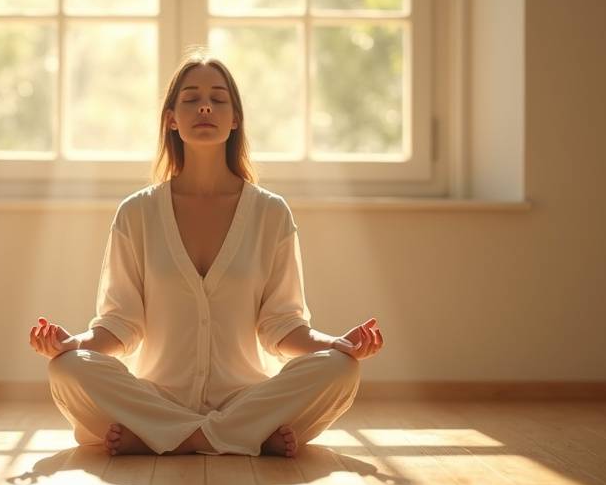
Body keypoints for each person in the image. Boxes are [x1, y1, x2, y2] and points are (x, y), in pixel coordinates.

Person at [28, 49, 385, 458]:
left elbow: (282, 325)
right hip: (156, 398)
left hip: (244, 398)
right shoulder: (136, 213)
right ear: (171, 119)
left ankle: (163, 437)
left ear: (235, 120)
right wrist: (71, 343)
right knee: (67, 368)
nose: (204, 107)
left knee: (341, 368)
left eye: (218, 99)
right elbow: (121, 323)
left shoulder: (270, 213)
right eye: (191, 99)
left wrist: (337, 344)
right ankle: (244, 437)